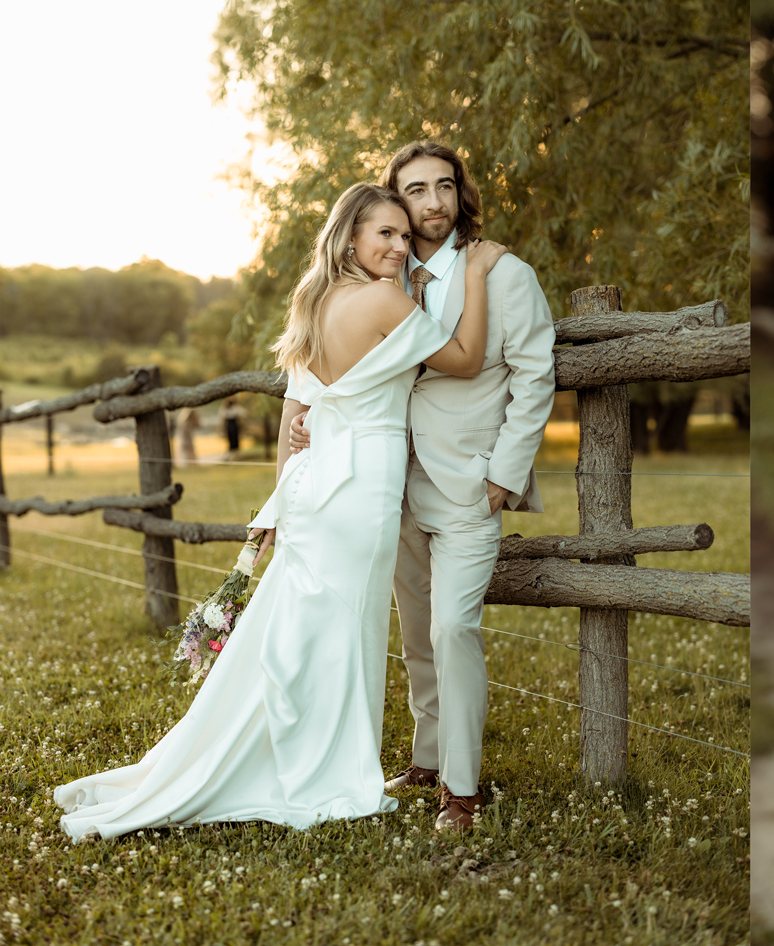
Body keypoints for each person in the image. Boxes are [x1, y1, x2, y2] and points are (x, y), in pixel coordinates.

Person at [53, 183, 504, 840]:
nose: (401, 246)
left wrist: (285, 495)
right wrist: (479, 273)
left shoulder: (313, 300)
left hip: (317, 481)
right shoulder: (384, 299)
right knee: (344, 626)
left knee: (306, 623)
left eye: (406, 237)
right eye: (386, 233)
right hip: (363, 482)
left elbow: (299, 410)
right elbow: (462, 360)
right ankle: (326, 765)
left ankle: (295, 749)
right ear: (351, 236)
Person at [290, 141, 555, 832]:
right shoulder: (387, 275)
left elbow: (533, 375)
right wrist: (311, 425)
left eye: (445, 186)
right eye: (416, 190)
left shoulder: (503, 273)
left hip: (470, 483)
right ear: (394, 203)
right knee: (414, 632)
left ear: (460, 194)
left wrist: (507, 468)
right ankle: (429, 756)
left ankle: (461, 793)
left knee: (452, 624)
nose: (433, 202)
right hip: (385, 485)